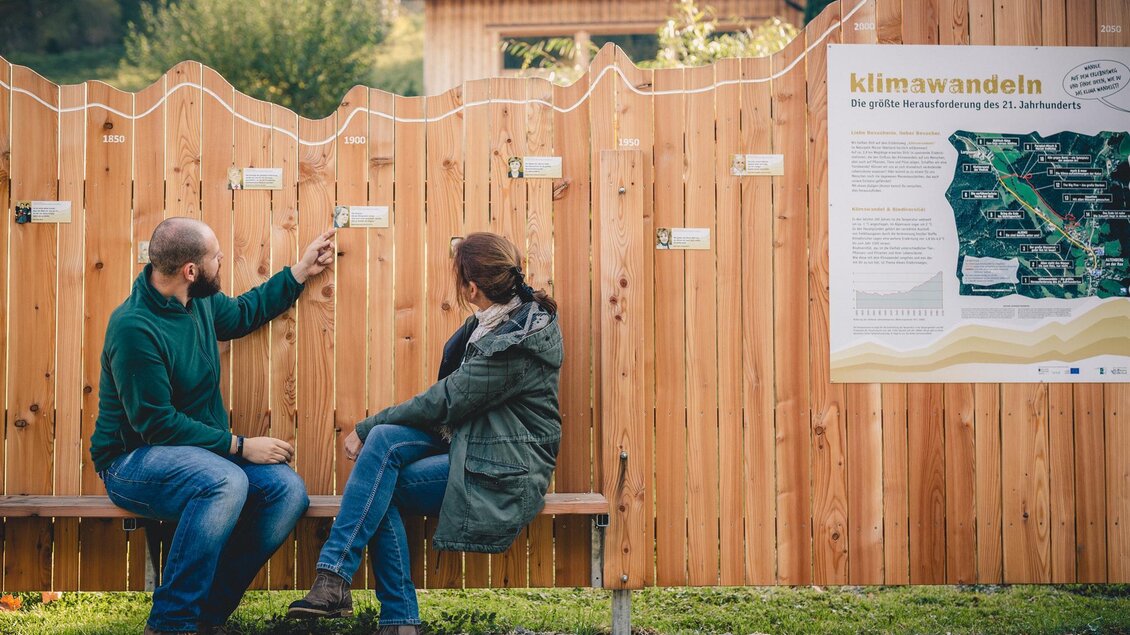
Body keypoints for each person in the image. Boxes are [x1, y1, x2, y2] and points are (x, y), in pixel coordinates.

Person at [288, 232, 563, 635]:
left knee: (380, 486)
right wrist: (377, 430)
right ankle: (334, 582)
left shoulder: (515, 342)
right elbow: (453, 405)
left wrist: (367, 424)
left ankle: (392, 616)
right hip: (474, 438)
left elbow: (447, 399)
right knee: (381, 449)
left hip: (506, 464)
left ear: (471, 288)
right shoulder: (503, 320)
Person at [90, 217, 337, 635]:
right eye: (215, 257)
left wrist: (299, 272)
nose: (221, 261)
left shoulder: (197, 301)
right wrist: (240, 445)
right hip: (130, 463)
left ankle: (205, 617)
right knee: (225, 481)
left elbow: (241, 314)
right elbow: (157, 425)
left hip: (203, 458)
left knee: (286, 491)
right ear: (190, 270)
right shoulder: (134, 327)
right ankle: (172, 623)